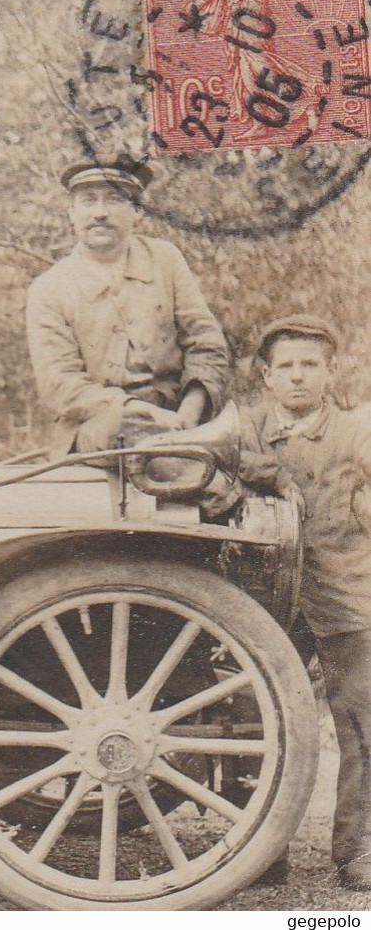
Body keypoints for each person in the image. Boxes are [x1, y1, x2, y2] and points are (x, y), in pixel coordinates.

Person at [220, 315, 371, 890]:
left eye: (311, 365)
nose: (299, 377)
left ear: (332, 371)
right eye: (286, 366)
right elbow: (208, 470)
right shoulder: (246, 427)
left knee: (361, 722)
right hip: (265, 596)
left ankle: (356, 855)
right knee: (253, 720)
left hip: (346, 590)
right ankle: (258, 855)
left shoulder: (356, 429)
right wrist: (264, 473)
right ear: (265, 375)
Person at [25, 160, 229, 456]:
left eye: (115, 199)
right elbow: (60, 385)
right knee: (123, 430)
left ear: (136, 211)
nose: (100, 213)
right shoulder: (49, 288)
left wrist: (190, 410)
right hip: (100, 426)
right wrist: (134, 410)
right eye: (87, 202)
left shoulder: (165, 260)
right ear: (72, 214)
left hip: (180, 415)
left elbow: (205, 342)